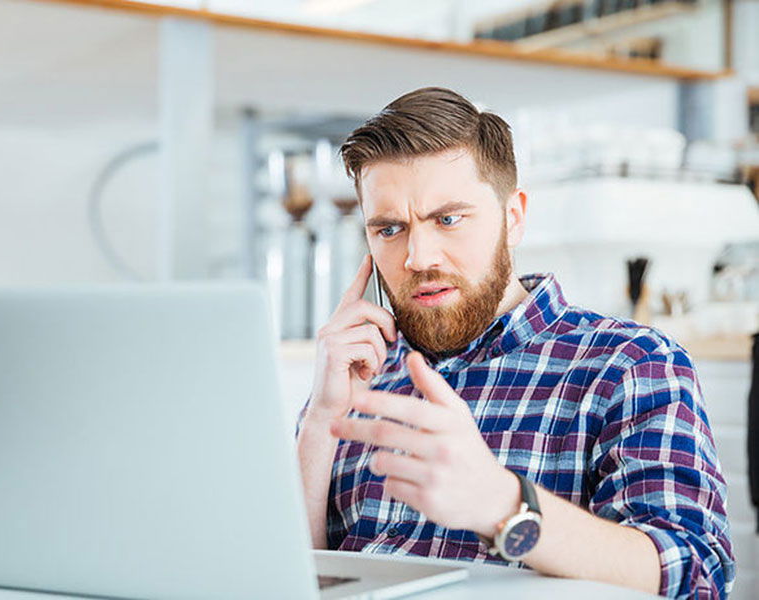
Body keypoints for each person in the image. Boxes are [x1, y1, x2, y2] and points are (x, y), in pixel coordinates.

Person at [296, 87, 735, 598]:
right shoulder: (357, 375)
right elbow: (286, 576)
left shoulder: (628, 364)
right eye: (389, 229)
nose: (418, 256)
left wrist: (503, 504)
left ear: (514, 217)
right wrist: (320, 423)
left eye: (448, 219)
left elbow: (694, 575)